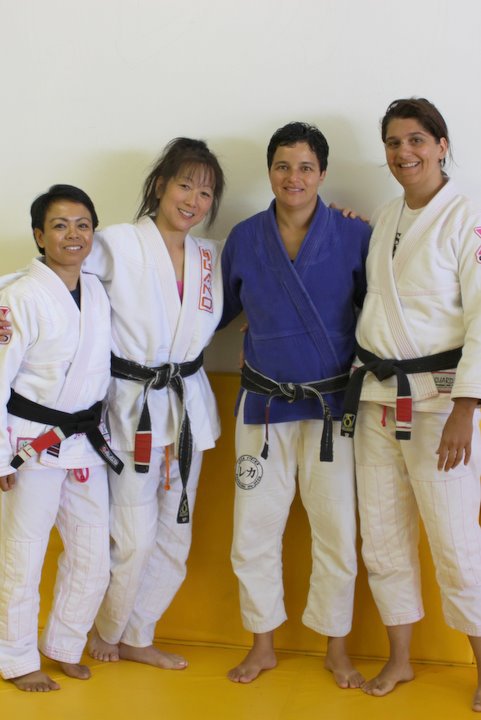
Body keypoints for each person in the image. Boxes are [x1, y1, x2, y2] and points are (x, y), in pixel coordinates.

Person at [341, 98, 481, 712]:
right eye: (394, 142)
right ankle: (399, 658)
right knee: (382, 537)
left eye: (417, 140)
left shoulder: (468, 217)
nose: (405, 152)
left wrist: (465, 408)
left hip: (439, 404)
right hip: (377, 395)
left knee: (455, 543)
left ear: (442, 145)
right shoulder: (385, 215)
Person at [219, 122, 371, 685]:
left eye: (306, 167)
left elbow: (377, 313)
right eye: (283, 166)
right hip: (262, 408)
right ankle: (261, 644)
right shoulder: (244, 238)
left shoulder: (354, 235)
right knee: (253, 531)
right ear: (269, 172)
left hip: (333, 409)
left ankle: (336, 647)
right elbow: (217, 315)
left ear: (323, 174)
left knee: (336, 531)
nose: (294, 177)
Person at [84, 137, 225, 669]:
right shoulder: (116, 243)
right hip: (132, 408)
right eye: (185, 185)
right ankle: (107, 628)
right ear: (161, 185)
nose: (193, 200)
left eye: (205, 192)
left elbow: (265, 277)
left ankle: (139, 634)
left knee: (175, 533)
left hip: (188, 406)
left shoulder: (210, 256)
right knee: (133, 535)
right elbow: (60, 276)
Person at [0, 185, 122, 691]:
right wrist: (0, 459)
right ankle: (16, 658)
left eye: (83, 225)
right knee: (23, 554)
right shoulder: (18, 297)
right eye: (59, 225)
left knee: (93, 554)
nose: (73, 234)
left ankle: (65, 644)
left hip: (85, 441)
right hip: (30, 443)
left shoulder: (96, 289)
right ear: (39, 235)